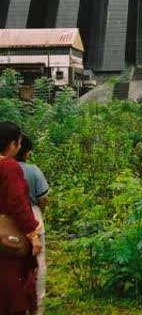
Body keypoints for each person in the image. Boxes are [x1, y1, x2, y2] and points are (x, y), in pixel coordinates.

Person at [0, 121, 41, 315]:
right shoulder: (8, 167)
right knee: (11, 290)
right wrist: (33, 233)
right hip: (7, 237)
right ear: (12, 144)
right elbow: (18, 203)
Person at [16, 135, 49, 315]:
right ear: (27, 152)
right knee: (38, 264)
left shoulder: (4, 168)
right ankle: (36, 307)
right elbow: (43, 196)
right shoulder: (33, 170)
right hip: (33, 216)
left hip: (6, 222)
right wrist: (39, 212)